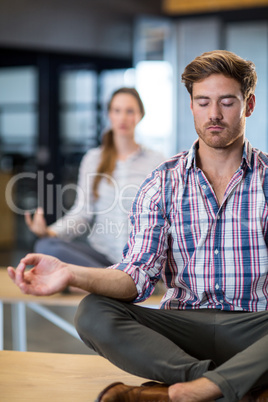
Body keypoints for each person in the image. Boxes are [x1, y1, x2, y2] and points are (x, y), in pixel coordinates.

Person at [8, 50, 268, 402]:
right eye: (203, 102)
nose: (215, 115)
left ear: (248, 105)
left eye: (227, 102)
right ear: (191, 106)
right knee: (94, 311)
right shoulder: (162, 181)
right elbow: (137, 276)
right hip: (184, 326)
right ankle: (214, 386)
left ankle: (182, 393)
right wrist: (70, 273)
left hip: (255, 326)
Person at [25, 87, 165, 268]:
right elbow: (82, 213)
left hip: (141, 260)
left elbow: (164, 216)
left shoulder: (156, 161)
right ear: (109, 114)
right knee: (45, 246)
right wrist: (50, 232)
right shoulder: (93, 159)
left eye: (129, 111)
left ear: (140, 115)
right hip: (104, 259)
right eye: (117, 110)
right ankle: (107, 283)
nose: (123, 118)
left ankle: (100, 283)